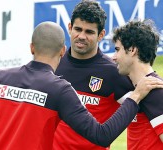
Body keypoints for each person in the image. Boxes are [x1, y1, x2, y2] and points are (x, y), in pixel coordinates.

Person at [0, 22, 161, 150]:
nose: (114, 56)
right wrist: (135, 97)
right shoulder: (60, 90)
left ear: (31, 47)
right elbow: (101, 136)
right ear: (62, 51)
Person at [53, 1, 134, 149]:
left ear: (101, 35)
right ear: (70, 28)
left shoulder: (113, 73)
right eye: (78, 29)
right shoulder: (54, 64)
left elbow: (141, 110)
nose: (82, 36)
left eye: (89, 32)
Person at [112, 19, 163, 150]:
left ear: (132, 50)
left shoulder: (156, 91)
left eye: (118, 50)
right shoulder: (137, 89)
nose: (114, 57)